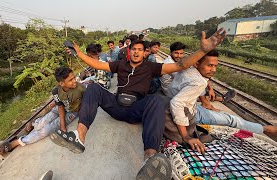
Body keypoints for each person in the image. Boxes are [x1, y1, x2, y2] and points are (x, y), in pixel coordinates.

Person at [51, 29, 226, 179]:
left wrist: (202, 51)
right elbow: (96, 63)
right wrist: (78, 53)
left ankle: (150, 158)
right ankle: (79, 137)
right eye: (133, 49)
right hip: (116, 106)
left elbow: (180, 65)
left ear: (145, 53)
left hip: (136, 109)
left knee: (157, 100)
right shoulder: (120, 65)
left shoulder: (151, 68)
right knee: (93, 88)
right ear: (129, 51)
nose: (136, 52)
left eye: (140, 50)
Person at [167, 49, 277, 154]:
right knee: (231, 120)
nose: (213, 70)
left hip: (190, 106)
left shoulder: (189, 69)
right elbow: (176, 104)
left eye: (215, 66)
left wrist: (206, 100)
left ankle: (263, 128)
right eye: (210, 65)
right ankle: (265, 129)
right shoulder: (199, 82)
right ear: (196, 64)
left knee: (222, 115)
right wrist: (186, 136)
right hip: (190, 113)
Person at [0, 67, 85, 156]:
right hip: (60, 109)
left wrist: (62, 126)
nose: (74, 81)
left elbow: (89, 100)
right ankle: (35, 123)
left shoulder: (80, 88)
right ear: (61, 83)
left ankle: (16, 142)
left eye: (74, 78)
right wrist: (62, 124)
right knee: (41, 124)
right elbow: (60, 106)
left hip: (71, 112)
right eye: (70, 80)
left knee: (46, 130)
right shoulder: (56, 91)